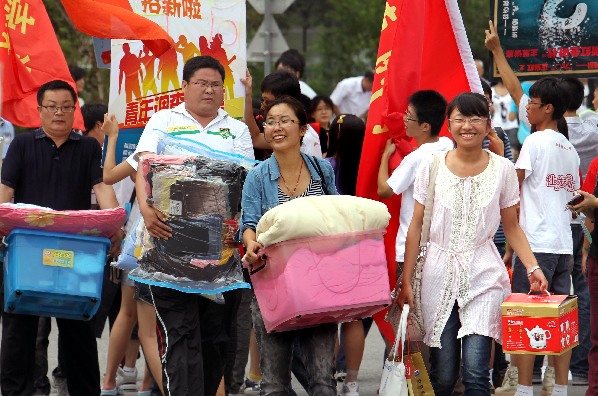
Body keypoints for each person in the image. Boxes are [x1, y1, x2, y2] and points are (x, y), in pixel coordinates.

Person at [396, 92, 548, 396]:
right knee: (443, 376)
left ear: (488, 123)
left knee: (477, 373)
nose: (468, 125)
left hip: (483, 273)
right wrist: (407, 279)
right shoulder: (431, 165)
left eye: (475, 117)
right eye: (460, 118)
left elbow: (512, 226)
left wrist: (533, 266)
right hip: (436, 277)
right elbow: (415, 226)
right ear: (448, 124)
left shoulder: (503, 168)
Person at [134, 55, 253, 396]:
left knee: (217, 338)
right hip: (168, 246)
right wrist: (146, 210)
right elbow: (143, 169)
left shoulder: (237, 129)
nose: (209, 90)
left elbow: (244, 180)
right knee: (182, 335)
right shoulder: (163, 121)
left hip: (221, 255)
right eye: (201, 83)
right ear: (184, 86)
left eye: (216, 84)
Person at [0, 79, 124, 395]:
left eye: (66, 107)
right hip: (28, 250)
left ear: (74, 111)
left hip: (76, 252)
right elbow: (6, 193)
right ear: (39, 110)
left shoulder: (87, 148)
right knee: (20, 327)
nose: (59, 113)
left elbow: (102, 188)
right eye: (52, 107)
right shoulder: (22, 145)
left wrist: (114, 227)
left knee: (78, 327)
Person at [486, 21, 582, 396]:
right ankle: (560, 388)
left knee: (527, 314)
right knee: (559, 316)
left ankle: (524, 389)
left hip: (536, 245)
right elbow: (571, 203)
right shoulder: (568, 148)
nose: (525, 107)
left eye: (531, 103)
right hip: (562, 245)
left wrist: (513, 246)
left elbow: (514, 191)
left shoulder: (535, 143)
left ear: (548, 108)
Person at [241, 95, 338, 396]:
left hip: (320, 283)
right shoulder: (257, 176)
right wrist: (250, 244)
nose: (276, 128)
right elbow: (249, 223)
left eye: (285, 121)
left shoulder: (322, 171)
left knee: (323, 381)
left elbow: (337, 215)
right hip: (273, 283)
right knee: (274, 383)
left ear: (303, 129)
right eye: (270, 122)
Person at [242, 69, 322, 157]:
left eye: (268, 102)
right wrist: (248, 95)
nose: (262, 107)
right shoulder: (286, 131)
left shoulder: (305, 138)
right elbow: (256, 139)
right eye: (263, 101)